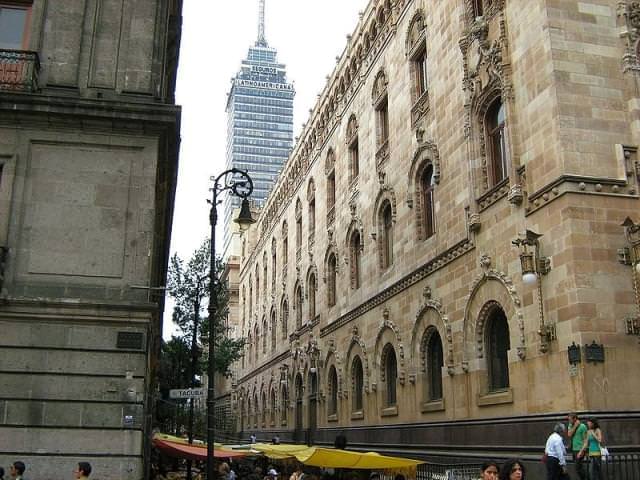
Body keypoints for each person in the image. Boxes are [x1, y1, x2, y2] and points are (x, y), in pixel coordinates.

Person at [567, 413, 588, 480]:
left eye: (570, 420)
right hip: (574, 449)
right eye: (569, 420)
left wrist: (582, 451)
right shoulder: (570, 425)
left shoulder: (583, 426)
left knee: (578, 467)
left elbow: (585, 440)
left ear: (575, 419)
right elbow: (569, 434)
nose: (569, 421)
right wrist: (575, 426)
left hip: (580, 449)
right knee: (578, 468)